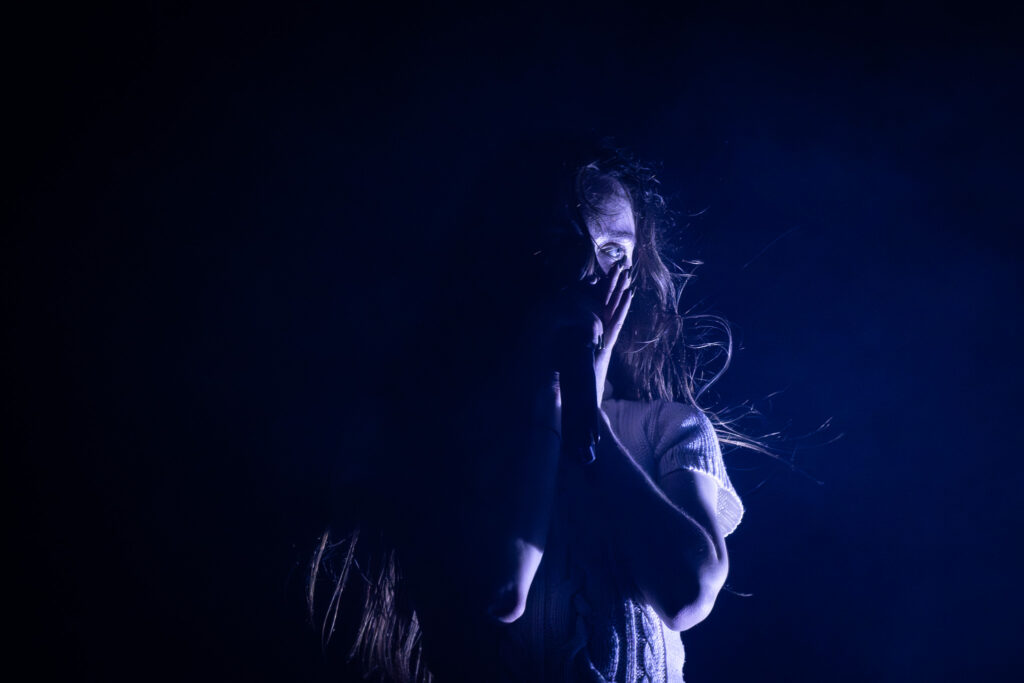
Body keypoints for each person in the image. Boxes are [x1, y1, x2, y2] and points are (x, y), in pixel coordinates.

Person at [309, 142, 746, 683]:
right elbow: (503, 589)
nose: (590, 270)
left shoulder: (673, 428)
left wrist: (590, 410)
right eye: (567, 246)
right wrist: (552, 392)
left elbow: (687, 594)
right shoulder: (457, 430)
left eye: (614, 252)